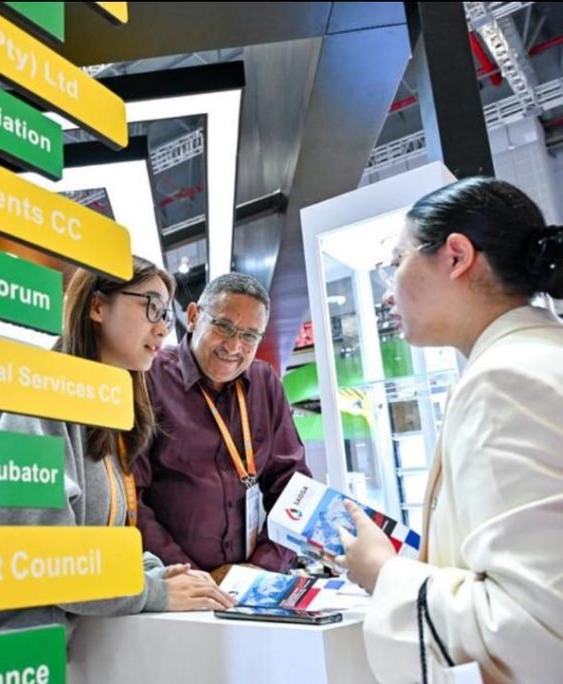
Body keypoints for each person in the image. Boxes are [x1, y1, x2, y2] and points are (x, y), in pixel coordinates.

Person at [337, 177, 563, 683]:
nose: (389, 287)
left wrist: (382, 572)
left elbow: (537, 630)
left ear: (456, 256)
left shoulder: (506, 380)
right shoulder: (538, 358)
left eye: (396, 262)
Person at [0, 256, 233, 638]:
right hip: (0, 652)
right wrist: (153, 590)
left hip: (54, 647)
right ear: (97, 306)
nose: (163, 326)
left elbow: (97, 534)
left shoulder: (102, 411)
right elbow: (45, 558)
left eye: (166, 314)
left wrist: (148, 569)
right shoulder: (42, 393)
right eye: (151, 307)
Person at [134, 272, 311, 582]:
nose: (234, 345)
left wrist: (262, 568)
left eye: (249, 335)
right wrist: (193, 578)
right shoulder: (149, 377)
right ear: (193, 317)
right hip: (173, 588)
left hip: (252, 588)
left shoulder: (265, 383)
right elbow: (130, 495)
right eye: (224, 326)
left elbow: (296, 489)